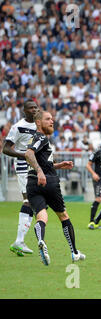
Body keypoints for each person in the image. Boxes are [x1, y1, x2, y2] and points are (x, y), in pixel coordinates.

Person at [24, 110, 85, 265]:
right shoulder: (41, 137)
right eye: (47, 119)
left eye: (52, 119)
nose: (52, 121)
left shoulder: (37, 138)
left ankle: (41, 241)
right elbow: (28, 154)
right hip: (48, 182)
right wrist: (40, 172)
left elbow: (41, 161)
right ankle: (74, 252)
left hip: (32, 184)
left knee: (42, 216)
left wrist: (58, 165)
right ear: (38, 122)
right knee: (63, 216)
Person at [3, 100, 38, 256]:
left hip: (36, 166)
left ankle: (20, 241)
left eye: (35, 107)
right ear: (24, 110)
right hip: (24, 166)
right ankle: (19, 241)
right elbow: (5, 148)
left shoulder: (38, 125)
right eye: (31, 108)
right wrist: (23, 155)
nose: (34, 110)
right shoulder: (17, 127)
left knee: (34, 202)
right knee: (28, 201)